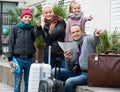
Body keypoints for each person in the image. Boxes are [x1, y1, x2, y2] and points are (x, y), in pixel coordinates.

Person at [52, 25, 103, 92]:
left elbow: (93, 39)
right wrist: (67, 59)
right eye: (73, 32)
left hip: (87, 74)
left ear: (81, 32)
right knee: (53, 71)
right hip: (75, 72)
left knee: (69, 82)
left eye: (77, 31)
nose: (75, 34)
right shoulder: (71, 46)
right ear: (71, 35)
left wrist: (96, 35)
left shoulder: (87, 40)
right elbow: (69, 68)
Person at [7, 8, 42, 92]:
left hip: (29, 59)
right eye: (25, 16)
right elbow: (11, 42)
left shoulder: (32, 29)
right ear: (21, 18)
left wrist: (39, 27)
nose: (27, 18)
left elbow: (36, 36)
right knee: (17, 81)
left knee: (28, 81)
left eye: (29, 17)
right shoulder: (15, 28)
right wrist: (10, 58)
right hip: (17, 59)